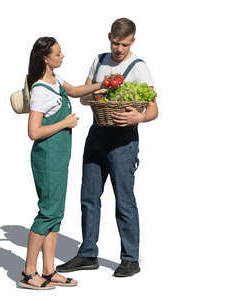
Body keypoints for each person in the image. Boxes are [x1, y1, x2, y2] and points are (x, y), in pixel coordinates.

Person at [56, 18, 158, 277]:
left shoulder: (139, 68)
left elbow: (154, 109)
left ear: (132, 41)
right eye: (115, 42)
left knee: (124, 200)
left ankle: (130, 258)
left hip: (123, 141)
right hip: (97, 135)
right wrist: (99, 93)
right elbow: (85, 96)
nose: (118, 49)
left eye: (124, 44)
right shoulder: (99, 60)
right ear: (109, 37)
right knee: (88, 197)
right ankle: (88, 253)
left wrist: (138, 117)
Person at [18, 37, 105, 290]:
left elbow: (76, 91)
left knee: (56, 214)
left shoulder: (56, 81)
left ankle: (48, 270)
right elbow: (33, 131)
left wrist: (102, 84)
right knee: (47, 213)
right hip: (47, 157)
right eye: (58, 53)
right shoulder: (40, 89)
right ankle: (28, 272)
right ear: (46, 58)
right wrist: (65, 123)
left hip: (59, 157)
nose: (63, 55)